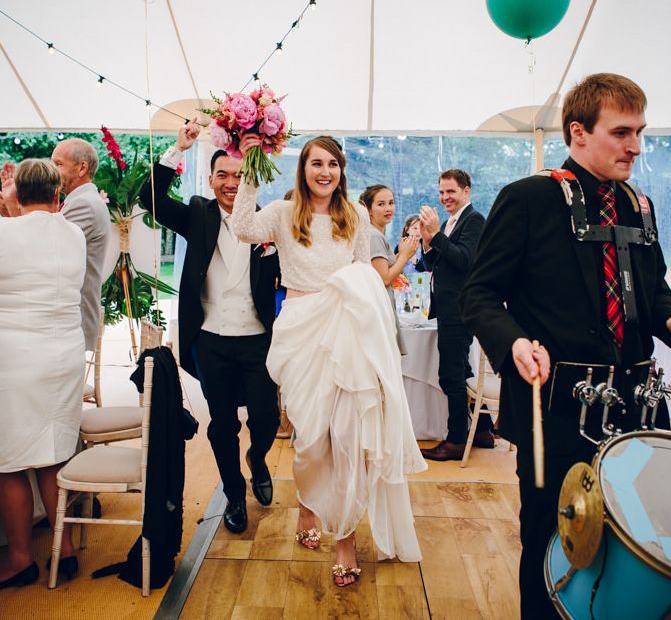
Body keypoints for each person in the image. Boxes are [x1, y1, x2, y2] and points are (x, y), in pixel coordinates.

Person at [460, 73, 671, 619]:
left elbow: (653, 291)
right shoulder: (527, 199)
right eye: (622, 132)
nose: (636, 146)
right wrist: (515, 343)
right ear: (578, 132)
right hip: (554, 407)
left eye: (640, 132)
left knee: (637, 544)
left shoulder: (640, 206)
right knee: (553, 543)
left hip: (639, 406)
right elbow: (479, 294)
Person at [231, 135, 426, 587]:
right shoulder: (282, 214)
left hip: (345, 332)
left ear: (341, 171)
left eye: (333, 164)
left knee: (346, 437)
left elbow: (367, 280)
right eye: (316, 163)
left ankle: (343, 538)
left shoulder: (354, 216)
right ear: (302, 168)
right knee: (310, 439)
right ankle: (307, 501)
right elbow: (242, 228)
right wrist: (250, 170)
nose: (325, 172)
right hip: (300, 329)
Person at [139, 121, 280, 534]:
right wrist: (177, 149)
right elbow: (150, 199)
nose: (231, 183)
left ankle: (257, 458)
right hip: (210, 339)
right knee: (221, 423)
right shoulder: (199, 214)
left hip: (257, 339)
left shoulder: (267, 222)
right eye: (223, 175)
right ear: (210, 178)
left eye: (239, 175)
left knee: (267, 417)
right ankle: (234, 493)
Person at [0, 159, 86, 587]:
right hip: (65, 355)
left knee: (11, 463)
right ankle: (64, 551)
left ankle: (19, 559)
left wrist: (8, 205)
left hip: (16, 355)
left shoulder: (5, 231)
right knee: (54, 454)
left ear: (18, 192)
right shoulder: (73, 234)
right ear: (58, 194)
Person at [418, 169, 494, 461]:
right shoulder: (451, 221)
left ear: (466, 191)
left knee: (451, 374)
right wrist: (428, 241)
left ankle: (456, 441)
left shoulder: (474, 220)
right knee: (463, 370)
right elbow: (430, 265)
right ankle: (484, 430)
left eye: (450, 191)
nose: (444, 197)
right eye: (441, 192)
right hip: (447, 306)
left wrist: (437, 235)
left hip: (459, 307)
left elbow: (465, 260)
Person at [51, 139, 111, 351]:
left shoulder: (84, 204)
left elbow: (48, 249)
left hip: (73, 318)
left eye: (58, 164)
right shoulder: (80, 200)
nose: (52, 170)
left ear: (81, 167)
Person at [359, 184, 419, 354]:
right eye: (381, 204)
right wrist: (404, 256)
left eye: (391, 203)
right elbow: (384, 279)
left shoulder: (376, 234)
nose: (388, 208)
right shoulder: (374, 236)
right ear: (369, 210)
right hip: (378, 309)